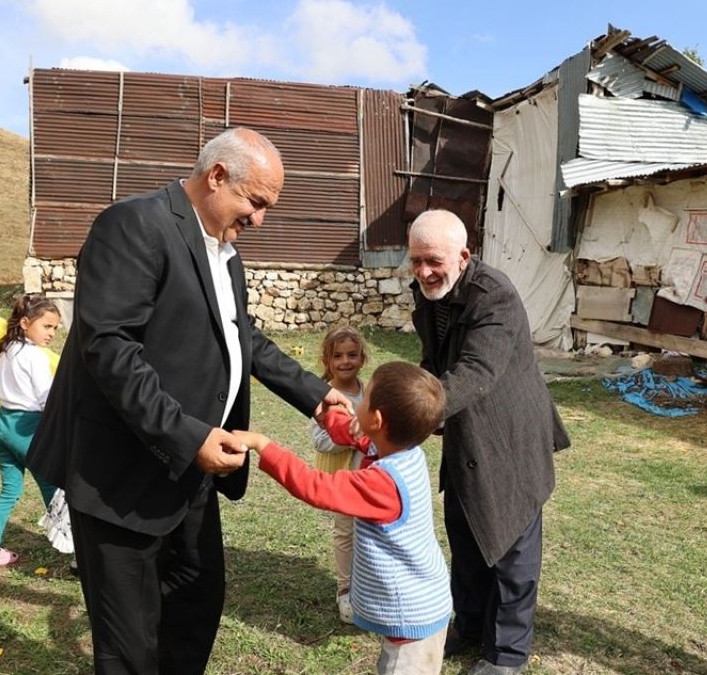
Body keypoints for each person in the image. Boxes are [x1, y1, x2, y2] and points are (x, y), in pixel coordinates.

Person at [26, 128, 350, 675]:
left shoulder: (226, 253)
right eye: (256, 202)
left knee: (197, 604)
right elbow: (109, 348)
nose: (260, 220)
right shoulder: (133, 226)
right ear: (217, 176)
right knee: (128, 646)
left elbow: (242, 336)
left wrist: (315, 396)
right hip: (120, 476)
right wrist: (187, 436)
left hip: (191, 471)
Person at [406, 209, 570, 675]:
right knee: (466, 534)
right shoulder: (428, 296)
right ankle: (471, 625)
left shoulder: (493, 296)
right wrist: (414, 391)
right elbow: (435, 361)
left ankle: (506, 654)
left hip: (510, 435)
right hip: (465, 432)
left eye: (433, 261)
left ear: (463, 255)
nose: (423, 272)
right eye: (415, 261)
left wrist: (412, 415)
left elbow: (477, 372)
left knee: (512, 543)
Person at [235, 360, 451, 675]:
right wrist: (324, 410)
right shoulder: (401, 450)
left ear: (376, 420)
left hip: (412, 618)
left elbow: (316, 486)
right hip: (423, 603)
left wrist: (263, 446)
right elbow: (350, 432)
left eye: (363, 399)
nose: (356, 403)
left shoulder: (383, 483)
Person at [0, 294, 62, 570]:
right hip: (27, 429)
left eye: (56, 328)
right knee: (57, 491)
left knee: (10, 490)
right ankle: (79, 556)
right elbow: (48, 401)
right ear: (25, 322)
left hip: (3, 426)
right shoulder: (34, 356)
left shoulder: (8, 347)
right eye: (47, 327)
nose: (52, 334)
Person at [308, 325, 370, 623]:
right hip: (342, 480)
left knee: (368, 533)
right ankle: (345, 589)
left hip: (369, 481)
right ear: (327, 361)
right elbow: (320, 440)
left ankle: (367, 587)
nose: (346, 361)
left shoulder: (369, 392)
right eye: (338, 356)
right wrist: (350, 435)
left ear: (362, 359)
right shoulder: (323, 396)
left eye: (352, 355)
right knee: (345, 533)